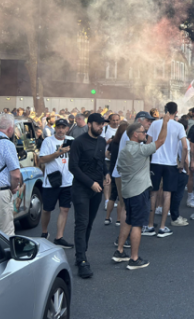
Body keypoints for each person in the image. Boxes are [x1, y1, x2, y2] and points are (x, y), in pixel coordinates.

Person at [112, 111, 171, 270]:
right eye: (143, 132)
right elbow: (162, 140)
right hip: (139, 191)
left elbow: (119, 168)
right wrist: (165, 122)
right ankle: (134, 259)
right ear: (134, 135)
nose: (146, 133)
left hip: (128, 190)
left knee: (129, 220)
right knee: (137, 225)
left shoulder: (124, 150)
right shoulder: (141, 149)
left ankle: (120, 251)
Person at [68, 113, 111, 278]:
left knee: (89, 223)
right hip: (81, 189)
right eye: (99, 124)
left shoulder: (101, 141)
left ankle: (82, 252)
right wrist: (90, 183)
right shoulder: (78, 142)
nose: (101, 127)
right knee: (81, 223)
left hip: (97, 189)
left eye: (103, 125)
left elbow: (100, 161)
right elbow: (73, 167)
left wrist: (106, 173)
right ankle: (82, 260)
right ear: (90, 124)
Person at [142, 101, 187, 238]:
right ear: (176, 111)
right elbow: (185, 147)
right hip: (171, 164)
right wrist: (181, 163)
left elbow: (148, 143)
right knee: (167, 194)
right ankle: (162, 227)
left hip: (155, 161)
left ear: (165, 110)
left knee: (153, 193)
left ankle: (149, 225)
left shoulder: (154, 124)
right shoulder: (179, 126)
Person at [37, 118, 74, 249]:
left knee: (65, 209)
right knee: (47, 209)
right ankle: (44, 232)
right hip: (51, 182)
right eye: (58, 127)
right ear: (55, 128)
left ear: (67, 129)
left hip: (68, 181)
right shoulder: (48, 141)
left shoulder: (71, 141)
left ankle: (59, 237)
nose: (60, 129)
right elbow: (42, 159)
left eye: (63, 127)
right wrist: (59, 152)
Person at [105, 122, 128, 226]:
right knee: (120, 198)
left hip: (112, 168)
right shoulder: (125, 143)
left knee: (112, 196)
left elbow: (106, 154)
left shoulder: (113, 142)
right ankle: (119, 219)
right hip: (121, 170)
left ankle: (107, 217)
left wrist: (111, 159)